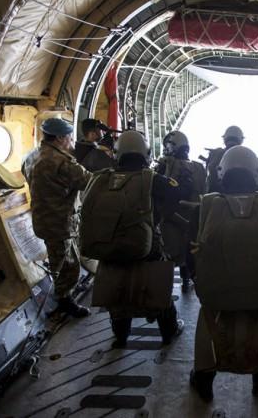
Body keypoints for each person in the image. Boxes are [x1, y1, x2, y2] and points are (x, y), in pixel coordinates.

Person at [189, 145, 258, 402]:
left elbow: (191, 253)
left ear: (221, 172)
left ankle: (204, 384)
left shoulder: (206, 204)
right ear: (256, 173)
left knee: (211, 329)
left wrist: (199, 280)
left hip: (217, 297)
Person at [81, 130, 185, 347]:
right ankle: (169, 331)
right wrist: (156, 216)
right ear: (145, 153)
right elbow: (175, 196)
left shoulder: (101, 178)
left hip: (109, 248)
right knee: (159, 289)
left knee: (117, 296)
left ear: (117, 153)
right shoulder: (153, 180)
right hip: (146, 249)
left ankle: (120, 336)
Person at [23, 117, 92, 317]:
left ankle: (63, 295)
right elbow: (89, 181)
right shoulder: (61, 162)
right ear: (60, 138)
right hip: (60, 222)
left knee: (58, 259)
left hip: (43, 219)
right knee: (69, 266)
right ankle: (65, 301)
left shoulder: (32, 156)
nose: (72, 140)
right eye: (70, 137)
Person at [154, 131, 206, 291]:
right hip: (192, 221)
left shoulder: (164, 164)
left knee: (167, 258)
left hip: (170, 220)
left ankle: (165, 294)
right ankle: (186, 280)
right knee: (189, 253)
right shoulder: (199, 167)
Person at [204, 125, 245, 193]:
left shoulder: (217, 152)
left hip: (219, 192)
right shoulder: (245, 154)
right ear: (241, 139)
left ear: (225, 138)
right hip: (240, 190)